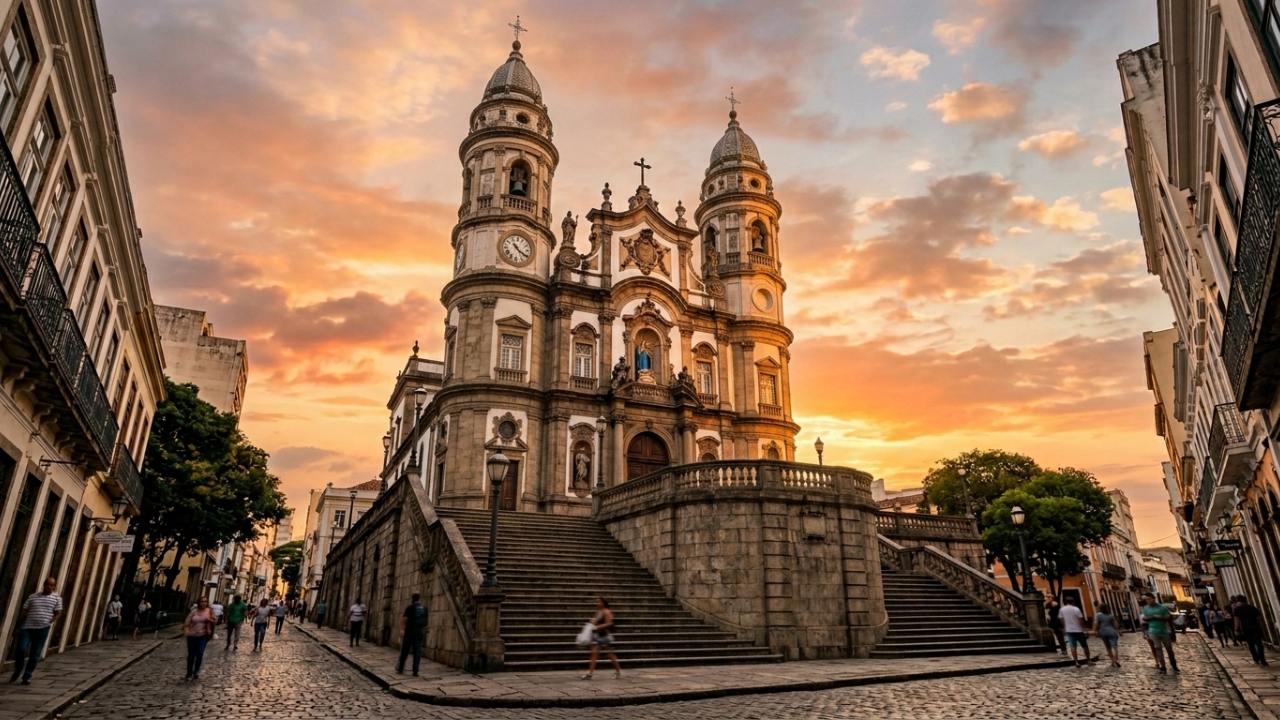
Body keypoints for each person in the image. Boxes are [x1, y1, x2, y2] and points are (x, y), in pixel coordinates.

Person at [9, 578, 62, 685]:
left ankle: (27, 676)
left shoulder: (57, 598)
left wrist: (51, 620)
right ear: (44, 585)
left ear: (54, 587)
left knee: (35, 653)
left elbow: (58, 613)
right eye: (48, 585)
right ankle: (18, 668)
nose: (50, 587)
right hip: (27, 627)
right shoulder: (33, 597)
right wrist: (17, 626)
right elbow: (24, 611)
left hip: (43, 628)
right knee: (20, 649)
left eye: (52, 585)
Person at [581, 597, 621, 680]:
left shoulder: (606, 611)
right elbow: (596, 621)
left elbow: (609, 623)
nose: (597, 603)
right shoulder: (599, 612)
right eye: (597, 602)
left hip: (604, 636)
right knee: (595, 654)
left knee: (609, 654)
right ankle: (590, 674)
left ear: (603, 603)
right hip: (598, 635)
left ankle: (618, 671)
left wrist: (598, 627)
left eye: (599, 601)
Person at [1143, 594, 1178, 673]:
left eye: (1150, 599)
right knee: (1158, 647)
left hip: (1164, 630)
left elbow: (1168, 616)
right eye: (1147, 600)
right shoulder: (1146, 608)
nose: (1148, 601)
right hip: (1152, 630)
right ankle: (1163, 666)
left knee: (1169, 649)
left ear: (1154, 599)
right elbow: (1144, 617)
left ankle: (1174, 665)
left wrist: (1160, 617)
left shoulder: (1162, 608)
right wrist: (1150, 617)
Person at [182, 596, 216, 681]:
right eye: (202, 601)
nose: (204, 603)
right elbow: (187, 622)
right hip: (192, 636)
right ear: (199, 602)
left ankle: (196, 671)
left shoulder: (209, 611)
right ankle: (189, 673)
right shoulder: (194, 612)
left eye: (205, 601)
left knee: (200, 652)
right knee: (191, 655)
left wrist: (210, 620)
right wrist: (186, 630)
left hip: (203, 636)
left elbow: (215, 621)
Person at [397, 593, 428, 676]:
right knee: (417, 651)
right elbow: (426, 622)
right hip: (419, 631)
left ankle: (400, 668)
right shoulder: (424, 608)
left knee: (405, 651)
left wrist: (401, 630)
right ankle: (415, 671)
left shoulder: (410, 607)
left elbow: (404, 620)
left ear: (412, 599)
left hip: (410, 632)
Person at [1235, 595, 1269, 665]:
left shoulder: (1237, 609)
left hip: (1246, 628)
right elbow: (1259, 618)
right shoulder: (1252, 608)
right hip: (1255, 627)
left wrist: (1236, 629)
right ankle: (1262, 659)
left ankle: (1255, 658)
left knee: (1251, 644)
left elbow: (1237, 620)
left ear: (1238, 601)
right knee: (1259, 643)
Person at [1058, 596, 1091, 667]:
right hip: (1078, 629)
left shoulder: (1062, 609)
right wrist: (1084, 628)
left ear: (1065, 602)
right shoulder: (1076, 609)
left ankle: (1076, 662)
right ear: (1073, 602)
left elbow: (1061, 619)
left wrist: (1065, 626)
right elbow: (1080, 620)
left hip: (1069, 630)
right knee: (1084, 646)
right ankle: (1088, 660)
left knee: (1073, 646)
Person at [1092, 603, 1121, 668]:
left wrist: (1095, 631)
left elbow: (1096, 623)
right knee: (1115, 646)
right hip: (1112, 632)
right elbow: (1115, 624)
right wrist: (1118, 631)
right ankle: (1116, 659)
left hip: (1103, 632)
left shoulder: (1098, 615)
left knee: (1108, 647)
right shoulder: (1110, 615)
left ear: (1100, 608)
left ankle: (1112, 660)